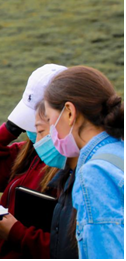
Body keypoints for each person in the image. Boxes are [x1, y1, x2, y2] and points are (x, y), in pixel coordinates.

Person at [0, 64, 70, 258]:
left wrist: (15, 233)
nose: (31, 131)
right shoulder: (28, 154)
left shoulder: (73, 170)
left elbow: (69, 249)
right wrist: (8, 130)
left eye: (39, 126)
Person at [43, 65, 124, 259]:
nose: (50, 129)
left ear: (69, 112)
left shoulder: (95, 172)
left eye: (49, 118)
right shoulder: (118, 151)